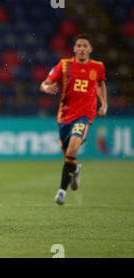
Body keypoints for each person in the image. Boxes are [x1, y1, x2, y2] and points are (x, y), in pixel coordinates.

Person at [40, 33, 108, 205]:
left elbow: (100, 84)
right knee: (68, 155)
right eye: (79, 45)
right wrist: (47, 88)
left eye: (85, 46)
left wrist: (104, 104)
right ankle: (75, 168)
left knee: (71, 150)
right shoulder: (64, 65)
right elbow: (44, 83)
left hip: (84, 116)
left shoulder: (98, 67)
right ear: (74, 48)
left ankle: (61, 191)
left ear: (90, 49)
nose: (82, 49)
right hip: (64, 116)